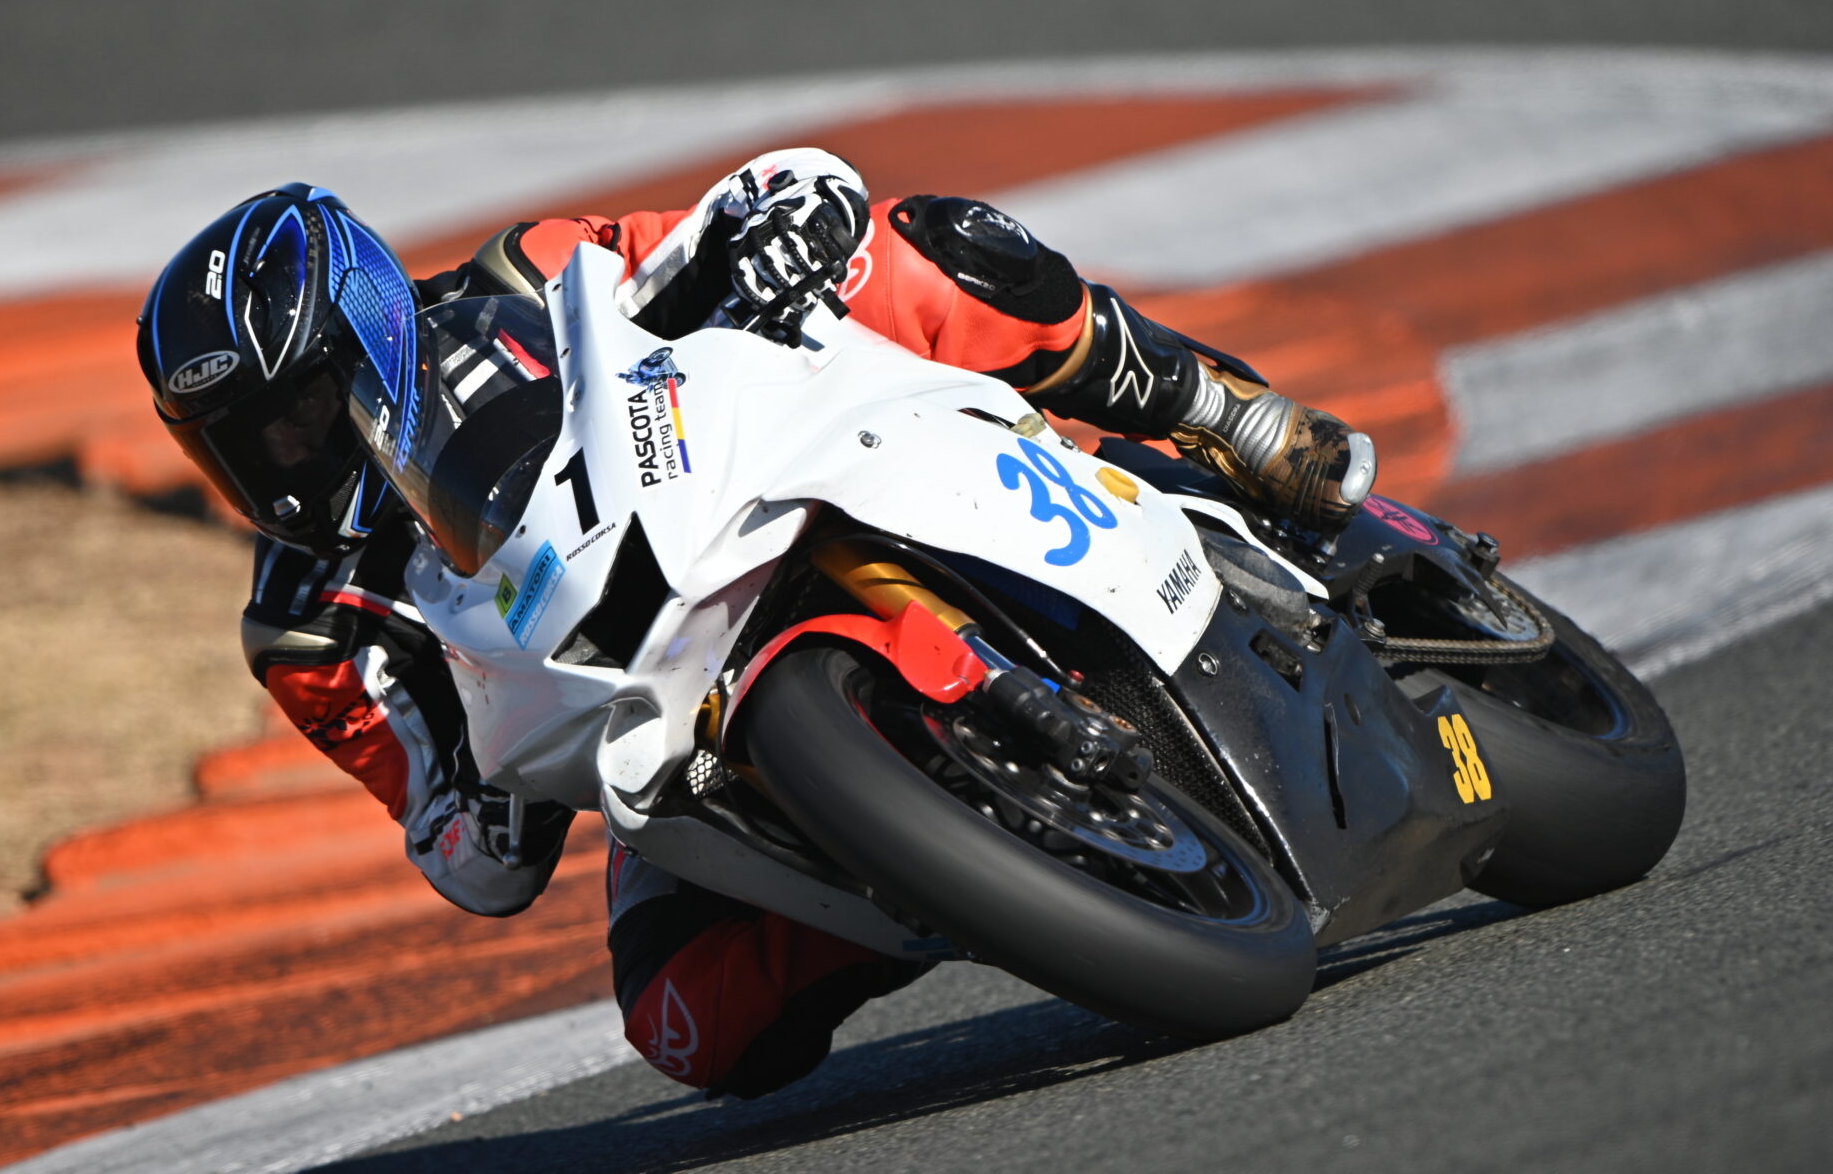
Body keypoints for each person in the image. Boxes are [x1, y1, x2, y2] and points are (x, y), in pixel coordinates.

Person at [137, 152, 1376, 1098]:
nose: (282, 463)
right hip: (651, 716)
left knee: (923, 250)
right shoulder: (304, 631)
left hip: (769, 481)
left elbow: (732, 217)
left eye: (298, 414)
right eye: (239, 446)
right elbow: (458, 850)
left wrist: (792, 226)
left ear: (367, 328)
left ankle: (1220, 415)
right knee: (686, 1024)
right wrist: (493, 798)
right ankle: (951, 877)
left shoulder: (526, 277)